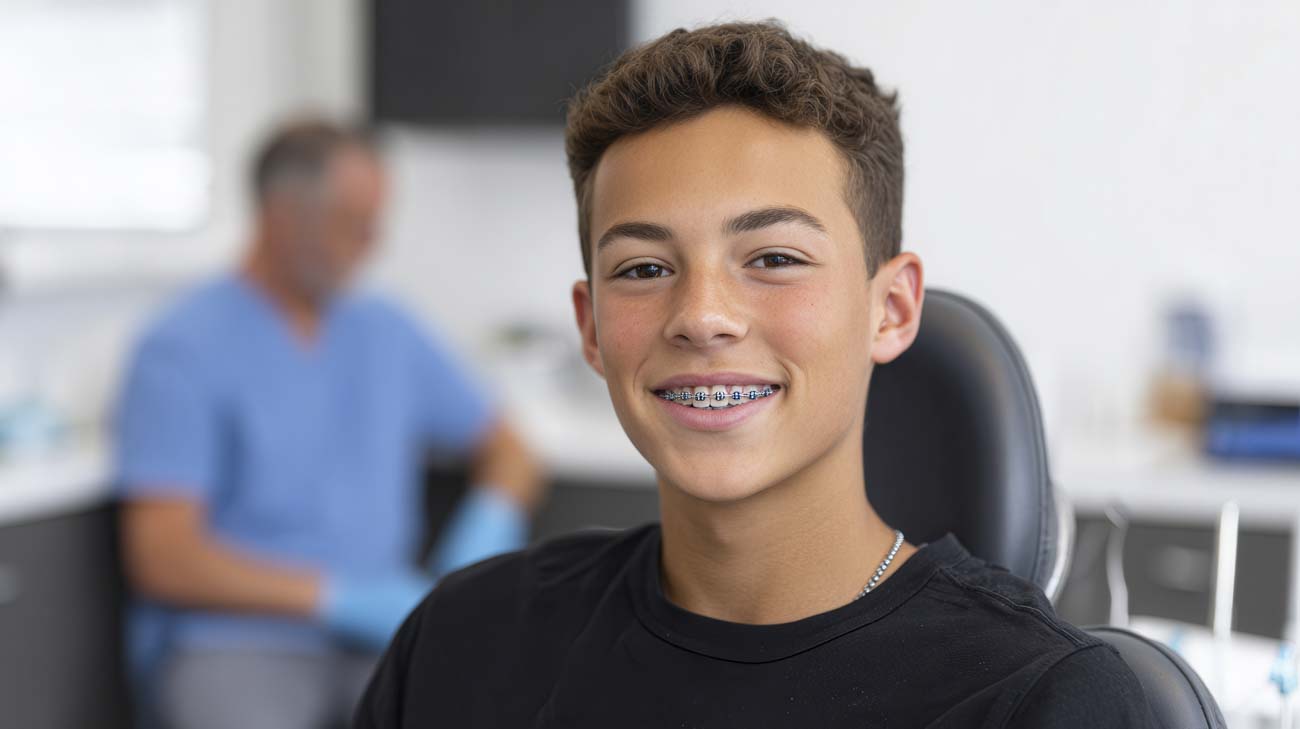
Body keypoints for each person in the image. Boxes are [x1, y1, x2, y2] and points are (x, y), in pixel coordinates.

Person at [354, 21, 1157, 728]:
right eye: (641, 267)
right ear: (591, 327)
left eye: (774, 258)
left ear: (892, 309)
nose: (701, 314)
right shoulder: (463, 645)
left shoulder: (1042, 700)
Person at [113, 120, 546, 729]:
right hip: (239, 644)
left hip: (385, 634)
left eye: (378, 220)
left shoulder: (386, 329)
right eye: (353, 222)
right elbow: (163, 555)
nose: (374, 243)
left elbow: (510, 449)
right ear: (282, 215)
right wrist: (334, 597)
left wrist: (484, 531)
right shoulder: (181, 348)